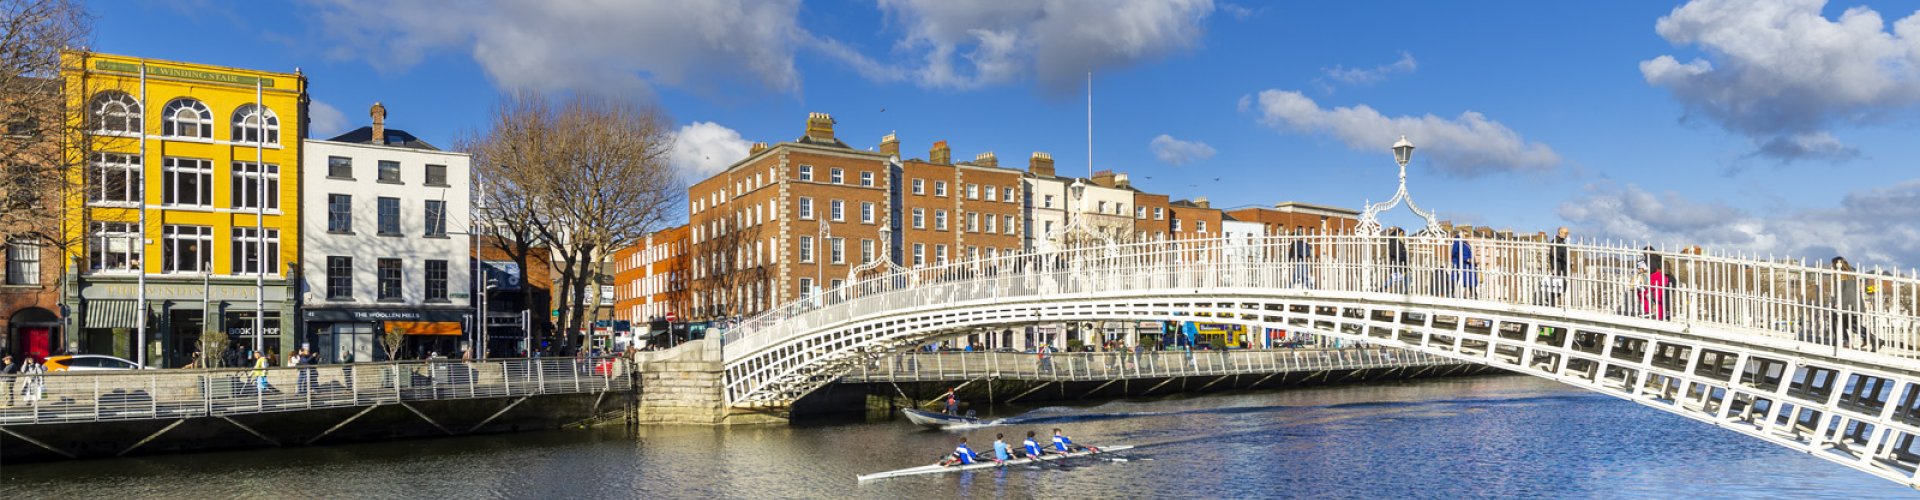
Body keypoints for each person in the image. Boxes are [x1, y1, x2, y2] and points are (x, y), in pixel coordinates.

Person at [1545, 227, 1571, 306]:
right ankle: (1550, 302)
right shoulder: (1556, 241)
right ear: (1560, 232)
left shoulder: (1562, 242)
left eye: (1567, 233)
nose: (1566, 235)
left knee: (1561, 286)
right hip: (1557, 268)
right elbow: (1552, 255)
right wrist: (1553, 267)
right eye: (1565, 233)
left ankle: (1550, 301)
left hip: (1562, 268)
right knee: (1558, 286)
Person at [1450, 230, 1478, 299]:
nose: (1467, 237)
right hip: (1465, 264)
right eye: (1466, 235)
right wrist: (1469, 260)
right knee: (1465, 278)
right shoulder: (1460, 243)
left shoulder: (1464, 244)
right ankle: (1473, 295)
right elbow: (1460, 254)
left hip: (1466, 264)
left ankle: (1473, 294)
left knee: (1469, 279)